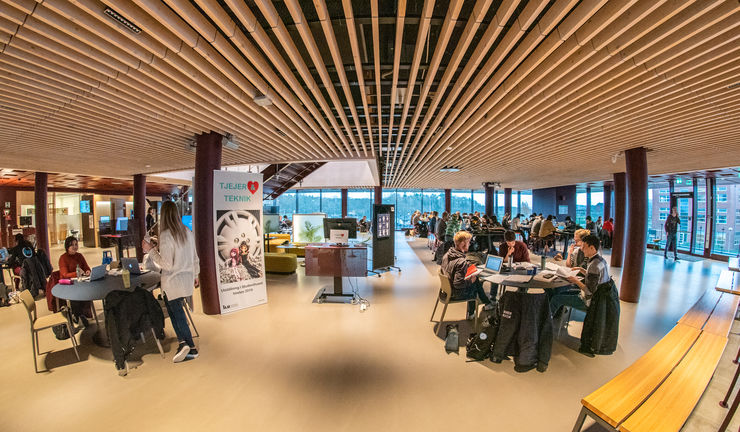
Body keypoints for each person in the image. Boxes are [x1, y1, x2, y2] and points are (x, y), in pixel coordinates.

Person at [142, 200, 200, 363]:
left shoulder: (167, 235)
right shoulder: (187, 232)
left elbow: (166, 264)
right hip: (186, 280)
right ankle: (183, 344)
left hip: (172, 282)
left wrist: (151, 251)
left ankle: (190, 347)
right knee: (178, 312)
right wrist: (195, 275)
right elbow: (195, 258)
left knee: (177, 314)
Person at [550, 235, 609, 322]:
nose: (581, 249)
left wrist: (576, 281)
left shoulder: (593, 265)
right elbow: (596, 277)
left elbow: (589, 291)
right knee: (560, 292)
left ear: (592, 248)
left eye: (584, 247)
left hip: (589, 301)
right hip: (600, 298)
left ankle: (546, 322)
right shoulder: (600, 260)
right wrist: (582, 270)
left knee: (556, 299)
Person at [441, 231, 495, 320]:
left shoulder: (447, 254)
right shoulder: (461, 262)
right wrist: (471, 280)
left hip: (446, 290)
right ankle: (485, 304)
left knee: (475, 280)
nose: (469, 244)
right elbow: (458, 284)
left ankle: (479, 308)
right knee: (475, 283)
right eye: (468, 242)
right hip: (455, 293)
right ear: (463, 244)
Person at [59, 236, 92, 326]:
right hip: (68, 284)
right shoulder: (63, 258)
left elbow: (86, 267)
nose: (74, 247)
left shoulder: (79, 256)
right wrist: (77, 273)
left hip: (80, 282)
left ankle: (84, 314)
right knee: (76, 294)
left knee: (87, 291)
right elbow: (65, 274)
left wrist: (87, 271)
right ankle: (77, 315)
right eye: (72, 245)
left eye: (76, 244)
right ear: (67, 247)